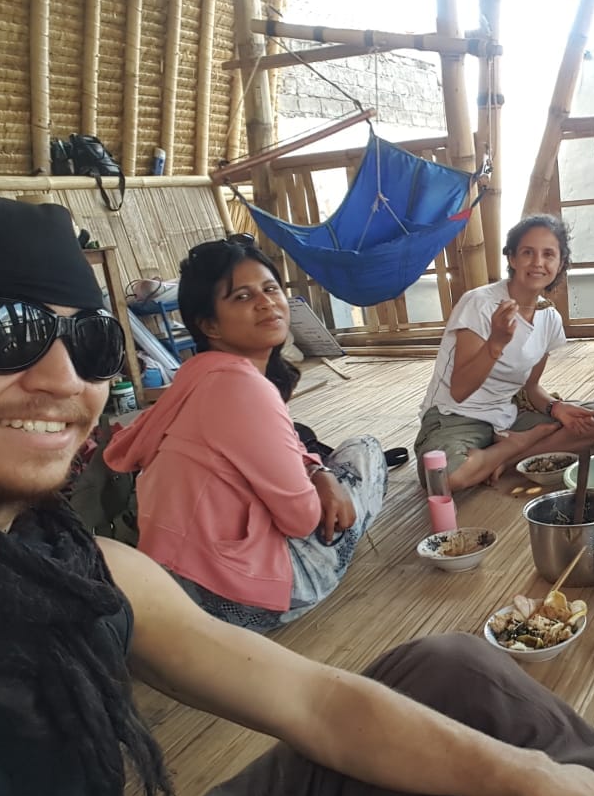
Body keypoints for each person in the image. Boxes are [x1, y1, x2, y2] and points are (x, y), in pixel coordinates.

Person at [0, 192, 594, 796]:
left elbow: (315, 699)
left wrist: (538, 778)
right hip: (258, 570)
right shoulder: (252, 383)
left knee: (455, 672)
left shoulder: (84, 570)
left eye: (89, 341)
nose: (59, 378)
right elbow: (313, 515)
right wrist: (328, 483)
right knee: (365, 461)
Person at [105, 237, 386, 632]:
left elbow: (279, 448)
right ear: (209, 325)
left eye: (270, 289)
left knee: (318, 460)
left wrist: (317, 471)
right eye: (242, 296)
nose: (266, 302)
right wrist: (322, 482)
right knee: (365, 451)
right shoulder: (241, 387)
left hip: (175, 582)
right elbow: (302, 519)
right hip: (234, 596)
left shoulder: (195, 375)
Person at [416, 214, 594, 490]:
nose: (538, 263)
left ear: (560, 264)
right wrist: (495, 343)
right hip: (454, 417)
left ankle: (504, 458)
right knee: (445, 477)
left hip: (506, 418)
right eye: (527, 253)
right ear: (511, 258)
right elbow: (460, 391)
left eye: (548, 254)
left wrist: (556, 408)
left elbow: (531, 388)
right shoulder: (480, 303)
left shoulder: (549, 317)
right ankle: (518, 446)